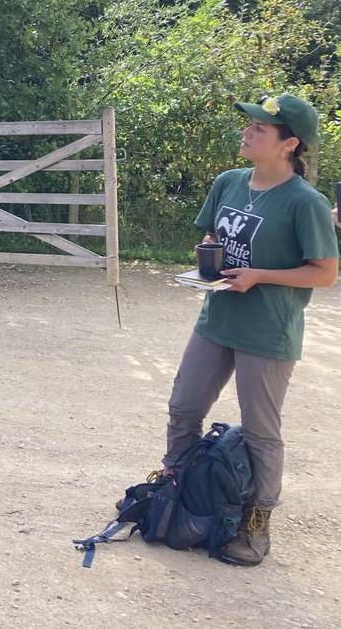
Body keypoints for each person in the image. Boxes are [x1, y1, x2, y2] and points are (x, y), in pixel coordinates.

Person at [155, 93, 337, 565]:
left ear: (288, 144)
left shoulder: (305, 202)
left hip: (267, 331)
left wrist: (260, 275)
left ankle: (256, 522)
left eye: (259, 128)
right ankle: (176, 491)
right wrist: (209, 248)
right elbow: (212, 234)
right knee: (183, 407)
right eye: (249, 124)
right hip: (217, 319)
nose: (248, 132)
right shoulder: (228, 182)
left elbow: (324, 272)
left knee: (260, 431)